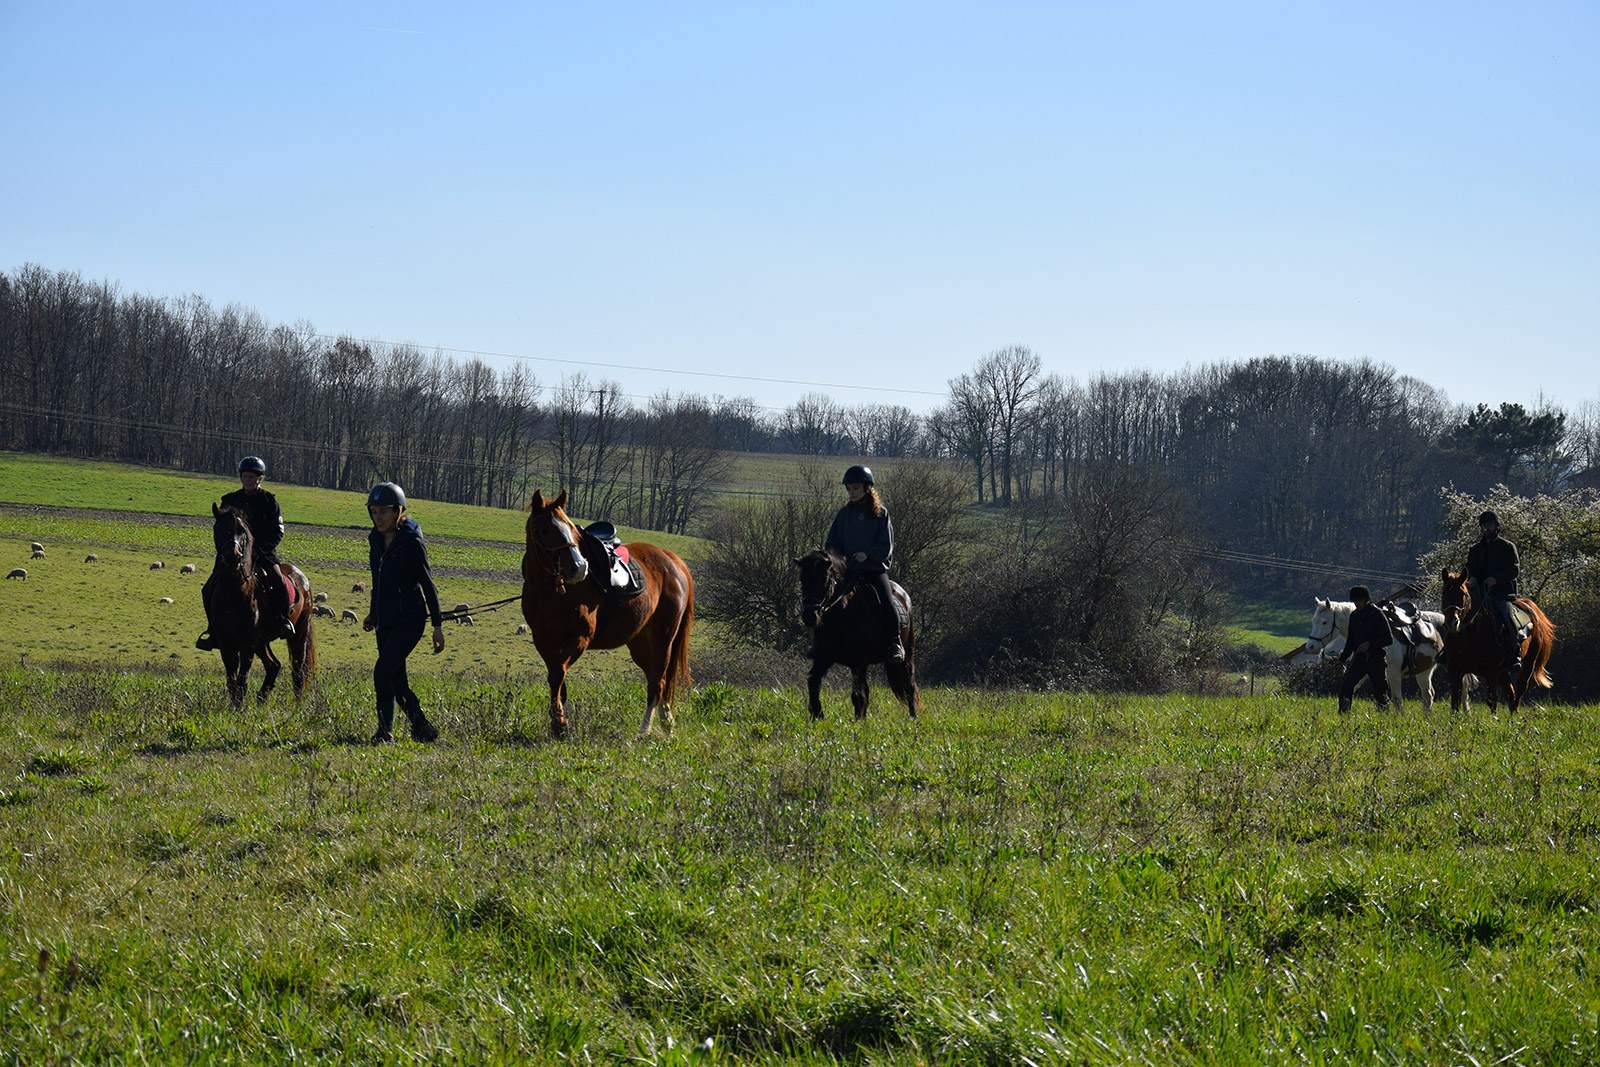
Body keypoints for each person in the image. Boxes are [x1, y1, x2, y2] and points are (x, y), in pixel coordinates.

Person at [362, 482, 445, 744]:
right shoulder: (375, 540)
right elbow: (377, 581)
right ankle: (422, 727)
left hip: (410, 619)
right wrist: (372, 613)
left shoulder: (411, 542)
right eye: (374, 512)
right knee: (398, 683)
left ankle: (384, 732)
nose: (378, 518)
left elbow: (428, 584)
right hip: (385, 619)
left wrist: (437, 626)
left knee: (382, 672)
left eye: (383, 512)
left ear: (398, 511)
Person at [196, 455, 294, 649]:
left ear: (260, 479)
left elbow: (277, 532)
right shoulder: (230, 500)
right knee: (208, 588)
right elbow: (221, 529)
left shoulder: (269, 502)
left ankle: (284, 620)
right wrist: (224, 551)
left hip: (262, 554)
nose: (248, 480)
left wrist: (258, 550)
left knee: (278, 580)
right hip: (233, 555)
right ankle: (213, 630)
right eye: (245, 476)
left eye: (252, 477)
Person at [825, 464, 904, 662]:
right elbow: (833, 540)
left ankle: (896, 642)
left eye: (855, 488)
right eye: (849, 489)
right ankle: (823, 642)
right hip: (848, 570)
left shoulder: (881, 514)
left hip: (873, 570)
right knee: (827, 597)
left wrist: (868, 555)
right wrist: (833, 552)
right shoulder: (844, 514)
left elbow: (886, 545)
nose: (851, 492)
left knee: (886, 600)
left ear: (867, 488)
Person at [1465, 509, 1522, 676]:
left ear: (1497, 526)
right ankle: (1451, 652)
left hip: (1501, 594)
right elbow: (1469, 568)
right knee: (1459, 614)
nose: (1486, 528)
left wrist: (1496, 579)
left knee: (1507, 617)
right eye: (1484, 525)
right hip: (1479, 594)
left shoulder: (1507, 547)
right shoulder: (1475, 549)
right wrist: (1471, 578)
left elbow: (1514, 570)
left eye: (1489, 525)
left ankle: (1515, 655)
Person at [1337, 585, 1393, 712]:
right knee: (1346, 686)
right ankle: (1343, 715)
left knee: (1380, 692)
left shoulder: (1378, 614)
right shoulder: (1354, 616)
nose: (1356, 603)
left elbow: (1388, 639)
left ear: (1366, 600)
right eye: (1354, 600)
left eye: (1359, 600)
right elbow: (1350, 642)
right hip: (1359, 659)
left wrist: (1369, 644)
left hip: (1376, 659)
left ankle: (1384, 716)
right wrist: (1341, 660)